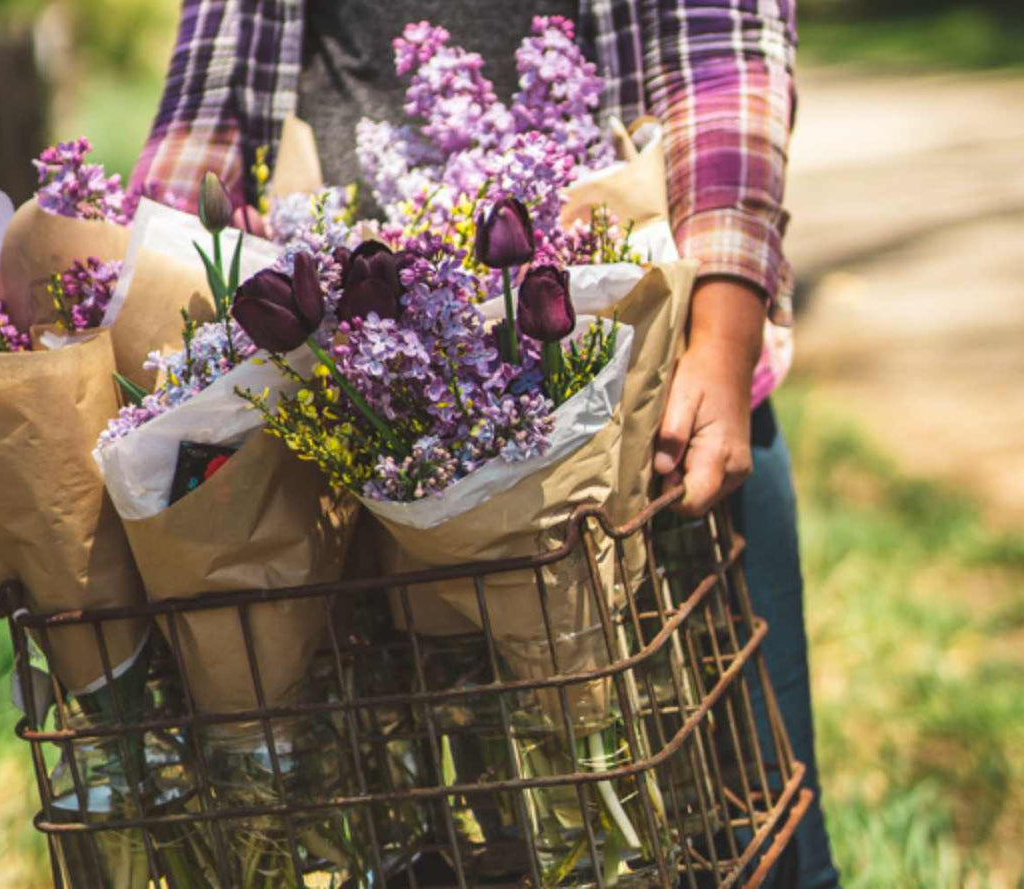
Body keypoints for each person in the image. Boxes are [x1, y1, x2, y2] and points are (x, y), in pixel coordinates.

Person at [131, 2, 837, 886]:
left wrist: (723, 338)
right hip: (380, 435)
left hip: (659, 393)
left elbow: (722, 56)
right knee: (466, 831)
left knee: (750, 830)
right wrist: (148, 344)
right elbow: (212, 106)